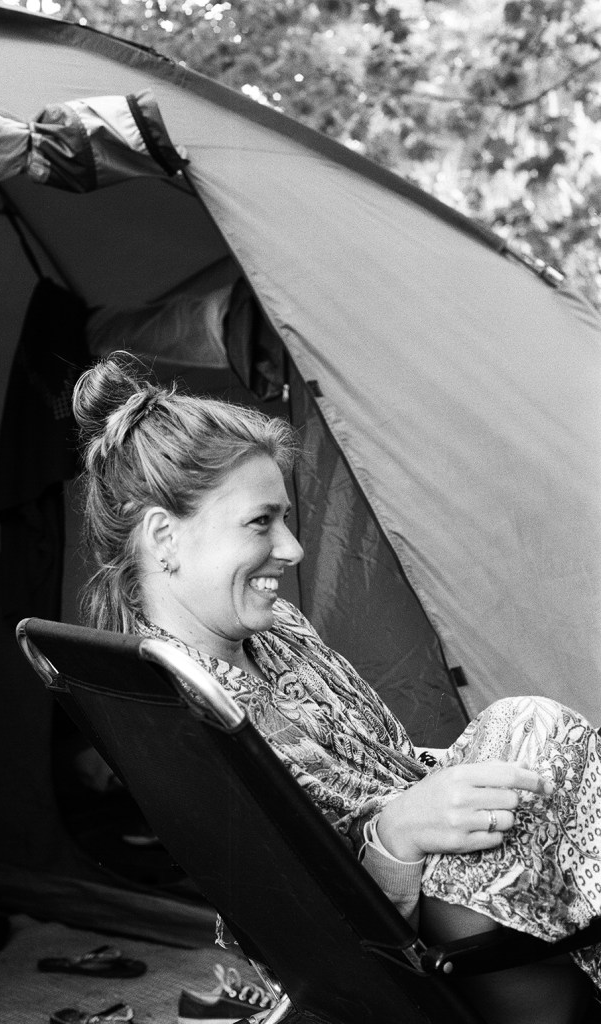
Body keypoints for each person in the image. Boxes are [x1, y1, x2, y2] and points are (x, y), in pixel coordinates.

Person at [72, 351, 601, 1024]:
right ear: (162, 538)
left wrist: (453, 782)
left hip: (470, 893)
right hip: (434, 954)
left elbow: (394, 763)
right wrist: (394, 835)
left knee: (530, 732)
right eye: (261, 522)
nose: (292, 548)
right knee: (531, 724)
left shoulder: (277, 633)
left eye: (286, 519)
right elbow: (310, 932)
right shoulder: (185, 715)